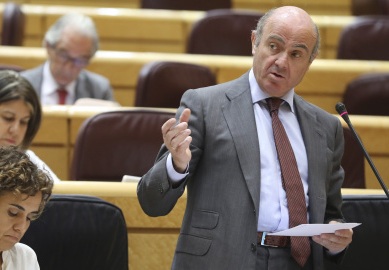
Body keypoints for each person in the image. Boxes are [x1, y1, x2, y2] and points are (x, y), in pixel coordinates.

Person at [137, 6, 353, 270]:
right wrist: (176, 164)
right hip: (222, 260)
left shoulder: (327, 127)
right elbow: (152, 203)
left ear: (311, 60)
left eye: (296, 54)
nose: (282, 62)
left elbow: (331, 215)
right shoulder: (205, 105)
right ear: (255, 42)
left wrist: (336, 237)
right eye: (274, 46)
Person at [20, 12, 114, 105]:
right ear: (48, 47)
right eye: (64, 56)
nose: (68, 68)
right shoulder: (21, 86)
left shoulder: (99, 90)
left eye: (80, 60)